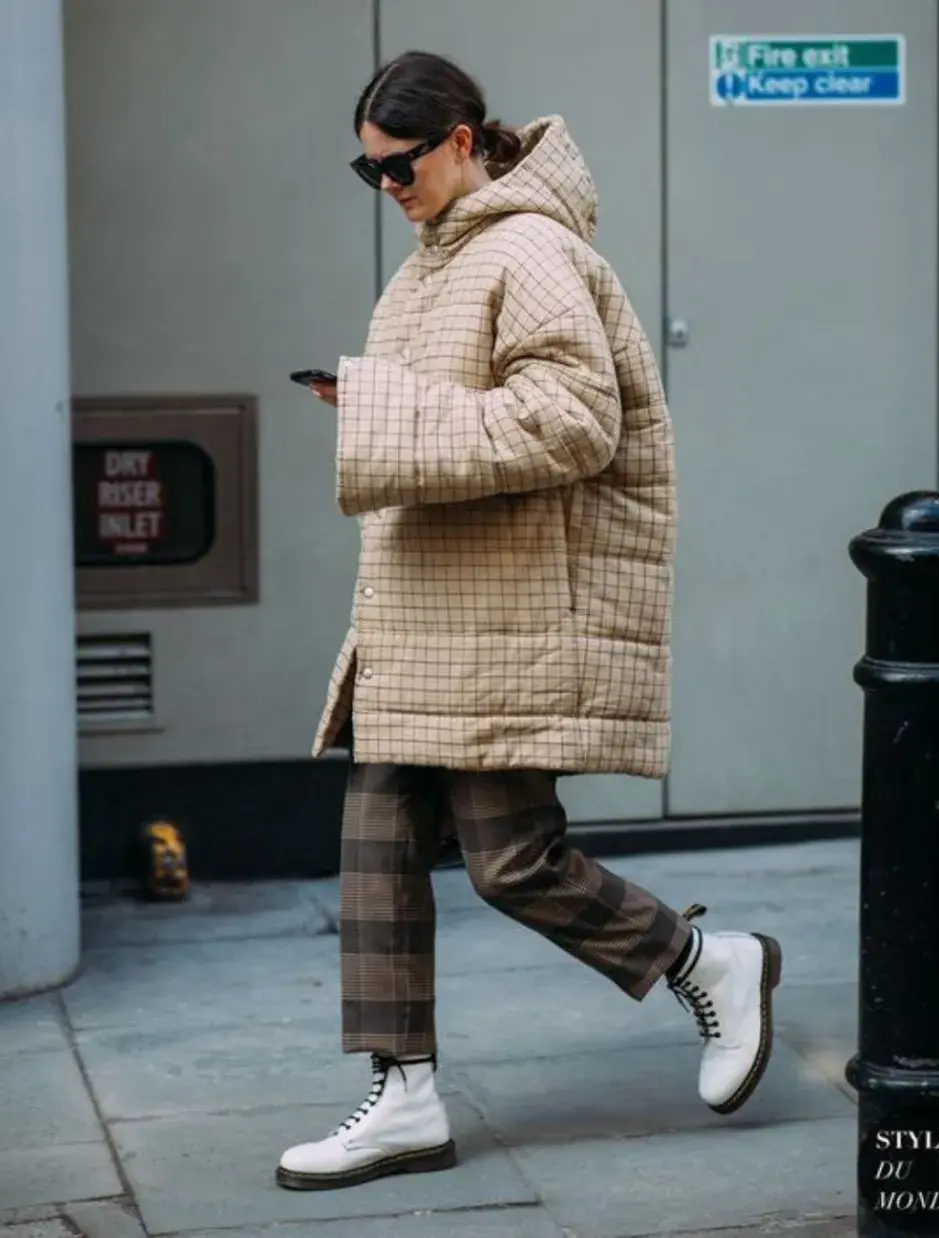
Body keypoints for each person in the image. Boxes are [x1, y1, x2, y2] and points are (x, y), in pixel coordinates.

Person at [277, 50, 782, 1192]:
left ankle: (713, 961)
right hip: (430, 607)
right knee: (376, 843)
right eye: (368, 174)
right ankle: (402, 1089)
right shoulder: (431, 263)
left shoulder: (532, 250)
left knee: (511, 858)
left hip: (494, 613)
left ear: (461, 139)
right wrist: (368, 402)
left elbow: (571, 422)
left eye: (399, 165)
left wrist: (383, 408)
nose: (388, 188)